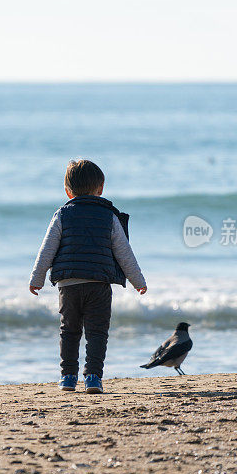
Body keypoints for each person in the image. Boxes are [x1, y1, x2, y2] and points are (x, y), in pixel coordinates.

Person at [29, 159, 147, 394]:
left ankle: (68, 377)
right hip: (99, 285)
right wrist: (138, 281)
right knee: (97, 332)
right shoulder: (109, 216)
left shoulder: (62, 214)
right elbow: (124, 253)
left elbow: (47, 249)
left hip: (68, 285)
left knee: (69, 330)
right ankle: (93, 377)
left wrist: (37, 278)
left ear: (67, 191)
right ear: (101, 189)